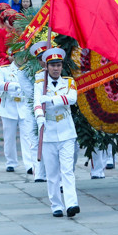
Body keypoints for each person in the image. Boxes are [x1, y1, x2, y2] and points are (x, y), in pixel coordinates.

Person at [34, 47, 79, 218]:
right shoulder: (40, 84)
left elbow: (72, 98)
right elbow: (37, 103)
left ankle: (72, 203)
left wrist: (52, 99)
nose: (56, 68)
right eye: (52, 65)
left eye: (58, 65)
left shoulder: (68, 82)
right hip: (49, 132)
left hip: (67, 131)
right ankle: (56, 205)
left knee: (67, 170)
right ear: (46, 66)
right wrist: (39, 117)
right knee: (52, 173)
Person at [0, 50, 35, 174]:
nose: (21, 59)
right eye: (18, 56)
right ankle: (11, 162)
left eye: (23, 56)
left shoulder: (28, 70)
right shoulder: (4, 69)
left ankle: (29, 164)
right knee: (9, 137)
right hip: (9, 106)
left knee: (27, 136)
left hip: (24, 106)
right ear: (13, 57)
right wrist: (14, 85)